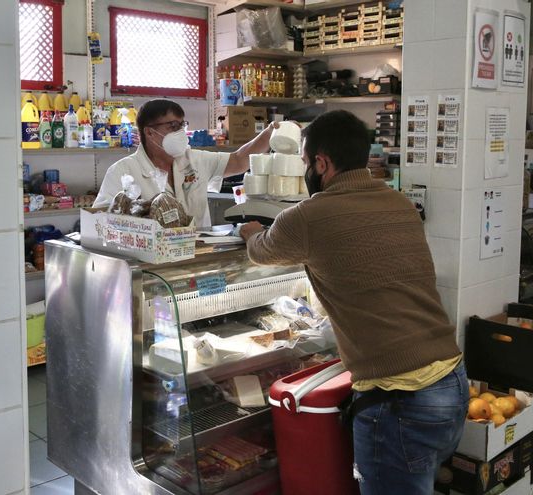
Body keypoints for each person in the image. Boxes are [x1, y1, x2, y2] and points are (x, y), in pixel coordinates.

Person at [240, 110, 467, 494]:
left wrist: (249, 231)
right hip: (451, 382)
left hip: (400, 399)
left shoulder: (309, 216)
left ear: (321, 163)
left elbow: (261, 252)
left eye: (305, 162)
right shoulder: (398, 202)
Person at [93, 99, 277, 227]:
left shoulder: (194, 160)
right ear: (149, 133)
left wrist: (271, 132)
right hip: (148, 262)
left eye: (182, 125)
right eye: (173, 126)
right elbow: (99, 221)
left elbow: (238, 160)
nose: (180, 132)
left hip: (196, 258)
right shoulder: (123, 171)